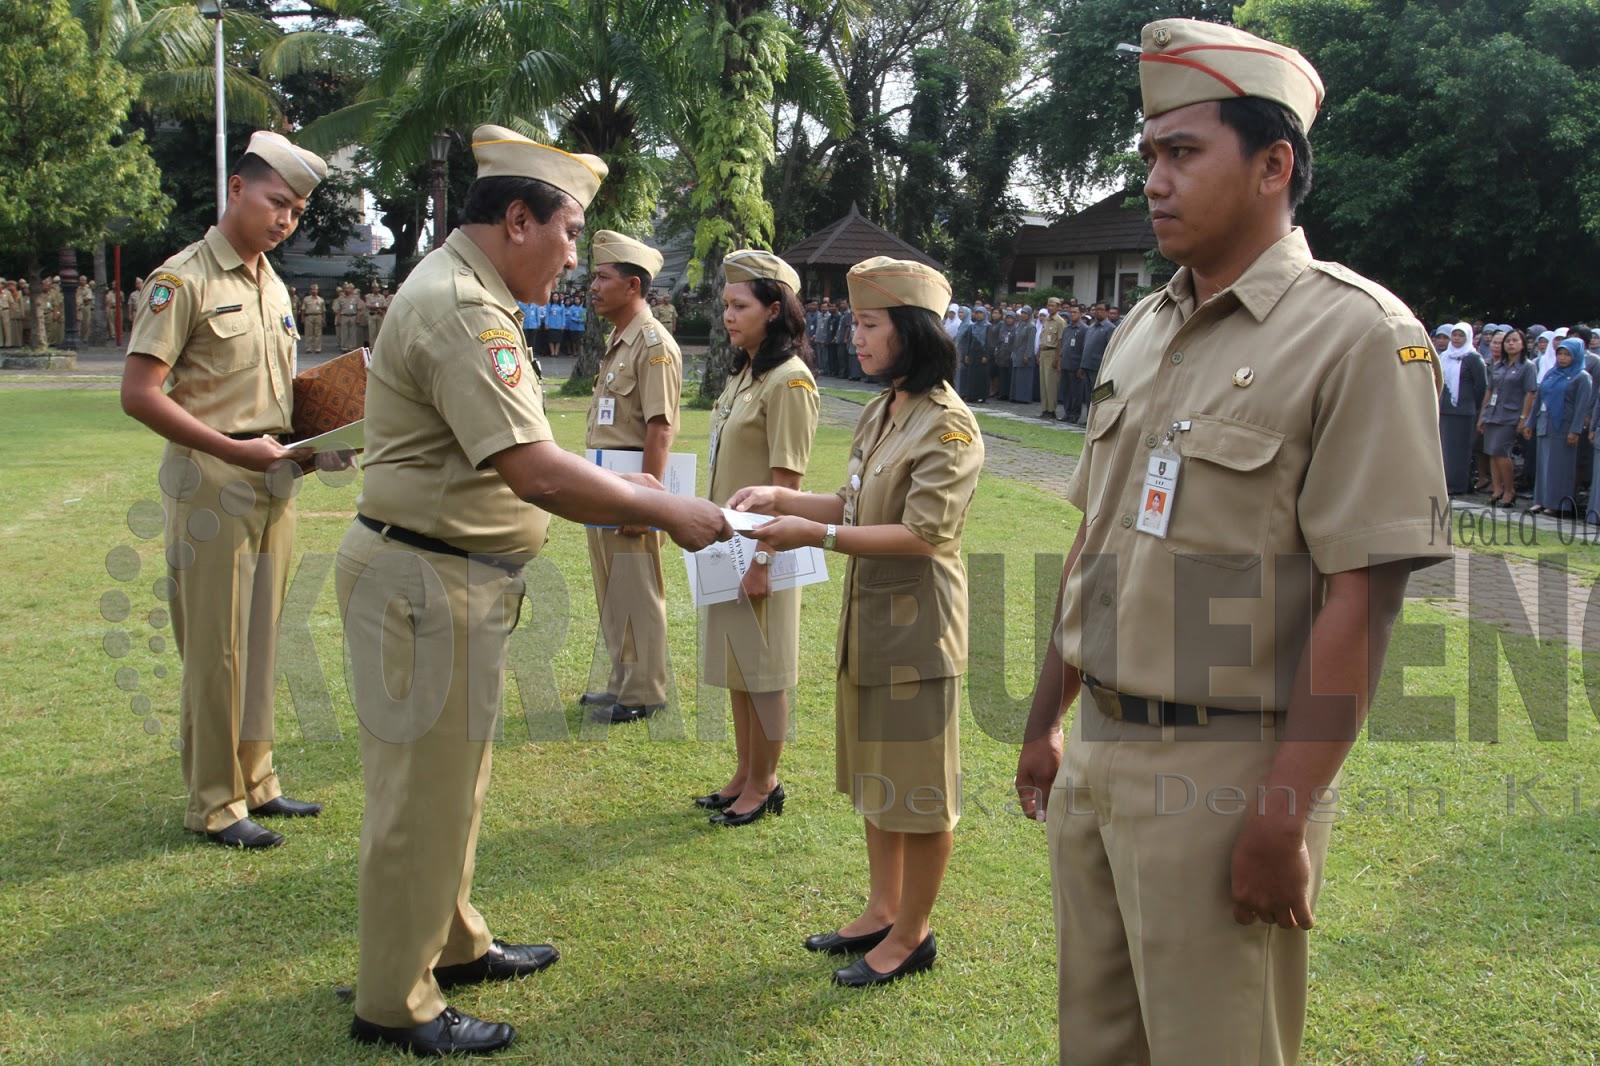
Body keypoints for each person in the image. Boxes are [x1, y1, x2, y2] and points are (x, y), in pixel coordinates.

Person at [1013, 19, 1450, 1066]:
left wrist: (1281, 818)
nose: (1155, 182)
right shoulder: (1143, 325)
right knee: (1097, 1043)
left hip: (1228, 768)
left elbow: (1361, 598)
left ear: (1272, 164)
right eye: (1148, 157)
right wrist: (1044, 719)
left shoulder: (1357, 335)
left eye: (1182, 153)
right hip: (1105, 750)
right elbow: (1098, 538)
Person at [337, 125, 731, 1057]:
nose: (574, 255)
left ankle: (454, 941)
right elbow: (537, 471)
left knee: (452, 789)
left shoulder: (467, 296)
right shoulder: (464, 310)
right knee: (417, 802)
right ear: (517, 220)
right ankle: (397, 1001)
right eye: (569, 231)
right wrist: (667, 511)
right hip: (426, 577)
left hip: (450, 576)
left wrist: (648, 495)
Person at [729, 255, 981, 988]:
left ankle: (913, 934)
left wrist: (815, 538)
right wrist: (783, 503)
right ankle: (881, 908)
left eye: (870, 325)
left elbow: (922, 534)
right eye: (857, 322)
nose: (856, 336)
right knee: (876, 777)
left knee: (920, 790)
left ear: (912, 331)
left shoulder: (950, 428)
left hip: (918, 632)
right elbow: (850, 502)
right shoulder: (884, 408)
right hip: (869, 622)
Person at [119, 131, 330, 849]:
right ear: (237, 189)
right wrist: (232, 449)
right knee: (217, 649)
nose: (285, 220)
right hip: (212, 478)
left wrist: (319, 436)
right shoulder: (183, 280)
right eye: (277, 201)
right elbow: (140, 394)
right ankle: (214, 802)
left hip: (275, 474)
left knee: (264, 639)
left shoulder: (270, 280)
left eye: (297, 211)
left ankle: (257, 780)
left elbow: (272, 388)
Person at [696, 249, 819, 826]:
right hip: (729, 541)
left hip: (764, 545)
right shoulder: (746, 374)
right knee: (738, 665)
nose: (728, 315)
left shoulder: (790, 381)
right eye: (725, 305)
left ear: (774, 310)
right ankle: (745, 772)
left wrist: (764, 560)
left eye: (740, 305)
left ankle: (765, 782)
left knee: (763, 669)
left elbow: (786, 483)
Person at [582, 231, 681, 723]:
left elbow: (660, 427)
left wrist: (649, 503)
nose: (592, 286)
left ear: (633, 285)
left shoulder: (653, 344)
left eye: (603, 277)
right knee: (611, 586)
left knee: (637, 587)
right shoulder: (620, 341)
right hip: (605, 484)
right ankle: (621, 680)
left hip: (631, 486)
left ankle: (645, 689)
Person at [1530, 338, 1592, 516]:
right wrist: (1530, 422)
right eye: (1560, 354)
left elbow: (1582, 407)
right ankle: (1541, 500)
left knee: (1560, 466)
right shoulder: (1552, 373)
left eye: (1567, 355)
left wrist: (1575, 430)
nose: (1562, 358)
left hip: (1564, 426)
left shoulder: (1582, 377)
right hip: (1545, 423)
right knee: (1543, 465)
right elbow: (1539, 398)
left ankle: (1557, 504)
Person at [1479, 328, 1537, 507]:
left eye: (1514, 340)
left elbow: (1530, 392)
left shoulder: (1528, 366)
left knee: (1502, 452)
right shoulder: (1498, 365)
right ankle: (1497, 489)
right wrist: (1482, 414)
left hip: (1510, 415)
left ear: (1522, 344)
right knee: (1491, 452)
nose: (1510, 344)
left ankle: (1509, 489)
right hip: (1493, 414)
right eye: (1507, 341)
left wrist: (1523, 417)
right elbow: (1490, 390)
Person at [1438, 321, 1488, 495]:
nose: (1457, 339)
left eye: (1461, 336)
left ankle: (1457, 485)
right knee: (1446, 448)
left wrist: (1474, 406)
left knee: (1461, 449)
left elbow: (1481, 386)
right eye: (1455, 335)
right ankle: (1447, 482)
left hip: (1464, 411)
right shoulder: (1445, 356)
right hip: (1446, 409)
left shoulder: (1473, 358)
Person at [1037, 298, 1065, 417]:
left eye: (1053, 305)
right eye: (1048, 305)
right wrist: (1038, 353)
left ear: (1058, 307)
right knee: (1043, 383)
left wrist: (1057, 359)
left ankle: (1051, 410)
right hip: (1043, 352)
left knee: (1051, 384)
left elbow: (1060, 341)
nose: (1050, 307)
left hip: (1052, 352)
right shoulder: (1046, 320)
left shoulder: (1060, 321)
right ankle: (1044, 408)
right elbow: (1042, 337)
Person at [1011, 307, 1040, 403]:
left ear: (1029, 314)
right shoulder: (1019, 325)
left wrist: (1027, 355)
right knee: (1017, 376)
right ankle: (1016, 396)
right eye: (1022, 313)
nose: (1023, 315)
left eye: (1025, 313)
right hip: (1017, 353)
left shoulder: (1031, 326)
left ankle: (1024, 397)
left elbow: (1031, 343)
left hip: (1025, 354)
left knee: (1025, 377)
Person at [992, 309, 1018, 399]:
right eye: (1007, 318)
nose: (1009, 320)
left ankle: (1008, 393)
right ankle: (1002, 393)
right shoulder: (1003, 328)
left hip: (1010, 354)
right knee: (1002, 375)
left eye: (1011, 318)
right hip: (1001, 354)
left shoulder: (1016, 328)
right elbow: (999, 341)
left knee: (1009, 375)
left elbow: (1016, 343)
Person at [334, 283, 363, 350]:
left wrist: (358, 319)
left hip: (353, 316)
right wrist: (338, 319)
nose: (347, 290)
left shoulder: (356, 298)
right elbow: (338, 310)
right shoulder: (340, 298)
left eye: (349, 288)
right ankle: (344, 347)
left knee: (353, 333)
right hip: (344, 316)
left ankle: (352, 347)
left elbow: (359, 309)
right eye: (346, 288)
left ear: (352, 290)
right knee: (344, 332)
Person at [300, 283, 326, 354]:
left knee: (318, 333)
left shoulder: (321, 300)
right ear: (310, 290)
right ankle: (308, 348)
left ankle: (318, 348)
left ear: (318, 290)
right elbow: (303, 309)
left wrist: (324, 319)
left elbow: (323, 310)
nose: (314, 290)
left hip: (318, 316)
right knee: (308, 333)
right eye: (312, 289)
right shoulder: (306, 299)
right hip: (309, 316)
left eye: (315, 289)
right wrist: (302, 318)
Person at [545, 288, 567, 357]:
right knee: (551, 340)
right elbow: (547, 315)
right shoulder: (549, 305)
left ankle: (556, 352)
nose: (555, 298)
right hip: (551, 325)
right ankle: (552, 352)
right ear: (552, 297)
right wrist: (546, 324)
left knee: (558, 340)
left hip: (559, 325)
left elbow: (563, 316)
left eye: (556, 296)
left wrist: (563, 325)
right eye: (554, 296)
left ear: (558, 298)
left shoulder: (562, 306)